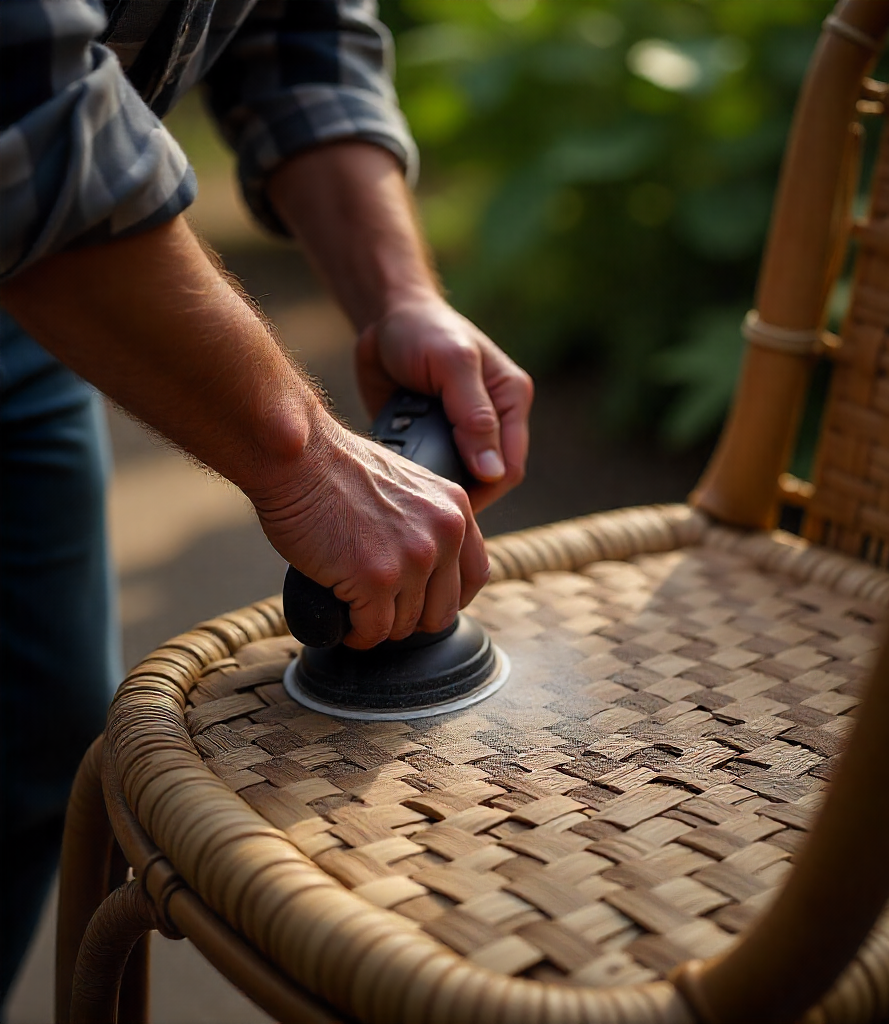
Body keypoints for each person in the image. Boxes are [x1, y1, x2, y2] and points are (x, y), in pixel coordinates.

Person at [0, 0, 533, 997]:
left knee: (34, 739)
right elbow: (15, 93)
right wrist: (305, 458)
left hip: (23, 298)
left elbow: (301, 29)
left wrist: (399, 297)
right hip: (26, 230)